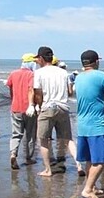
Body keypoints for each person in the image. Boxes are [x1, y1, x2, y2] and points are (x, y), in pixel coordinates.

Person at [29, 46, 84, 177]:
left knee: (42, 139)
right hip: (63, 107)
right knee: (68, 139)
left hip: (48, 107)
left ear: (41, 58)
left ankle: (48, 170)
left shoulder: (39, 73)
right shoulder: (63, 72)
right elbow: (70, 92)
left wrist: (38, 106)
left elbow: (38, 93)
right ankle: (79, 165)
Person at [74, 50, 104, 198]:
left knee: (90, 159)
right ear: (96, 62)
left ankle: (92, 186)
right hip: (97, 125)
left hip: (82, 125)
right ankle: (87, 189)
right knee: (102, 160)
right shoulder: (102, 76)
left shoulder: (78, 78)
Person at [6, 53, 38, 169]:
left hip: (15, 107)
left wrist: (13, 100)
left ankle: (13, 154)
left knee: (16, 134)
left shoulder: (13, 73)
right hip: (29, 108)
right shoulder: (32, 75)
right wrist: (34, 105)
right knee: (30, 135)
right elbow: (32, 90)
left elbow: (10, 88)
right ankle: (28, 158)